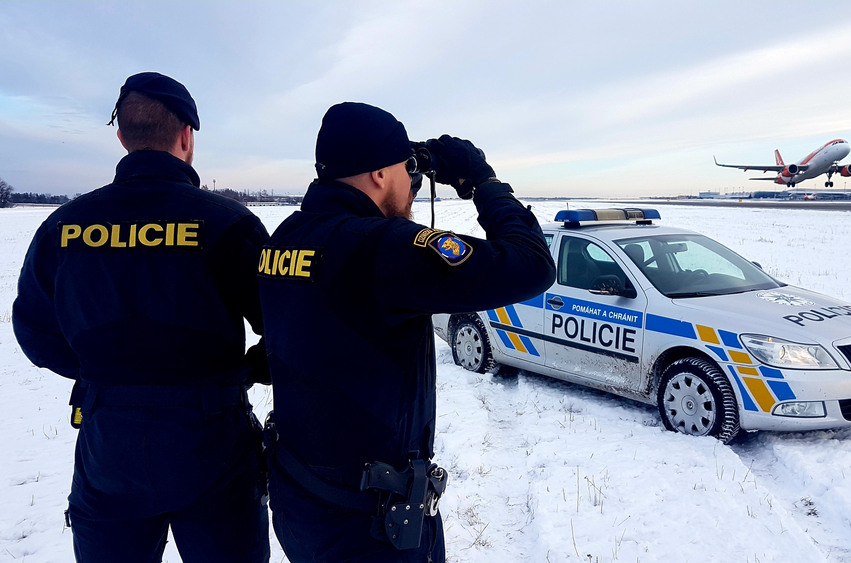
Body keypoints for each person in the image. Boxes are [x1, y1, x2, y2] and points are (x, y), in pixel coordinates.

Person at [258, 102, 556, 562]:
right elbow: (531, 266)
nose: (412, 185)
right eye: (405, 169)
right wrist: (484, 182)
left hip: (301, 503)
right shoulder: (381, 247)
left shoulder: (285, 240)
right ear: (379, 174)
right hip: (372, 528)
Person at [12, 72, 270, 562]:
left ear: (122, 137)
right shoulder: (228, 223)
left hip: (110, 443)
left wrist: (103, 374)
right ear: (186, 136)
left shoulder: (65, 226)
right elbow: (285, 325)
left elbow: (34, 330)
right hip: (212, 441)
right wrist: (250, 370)